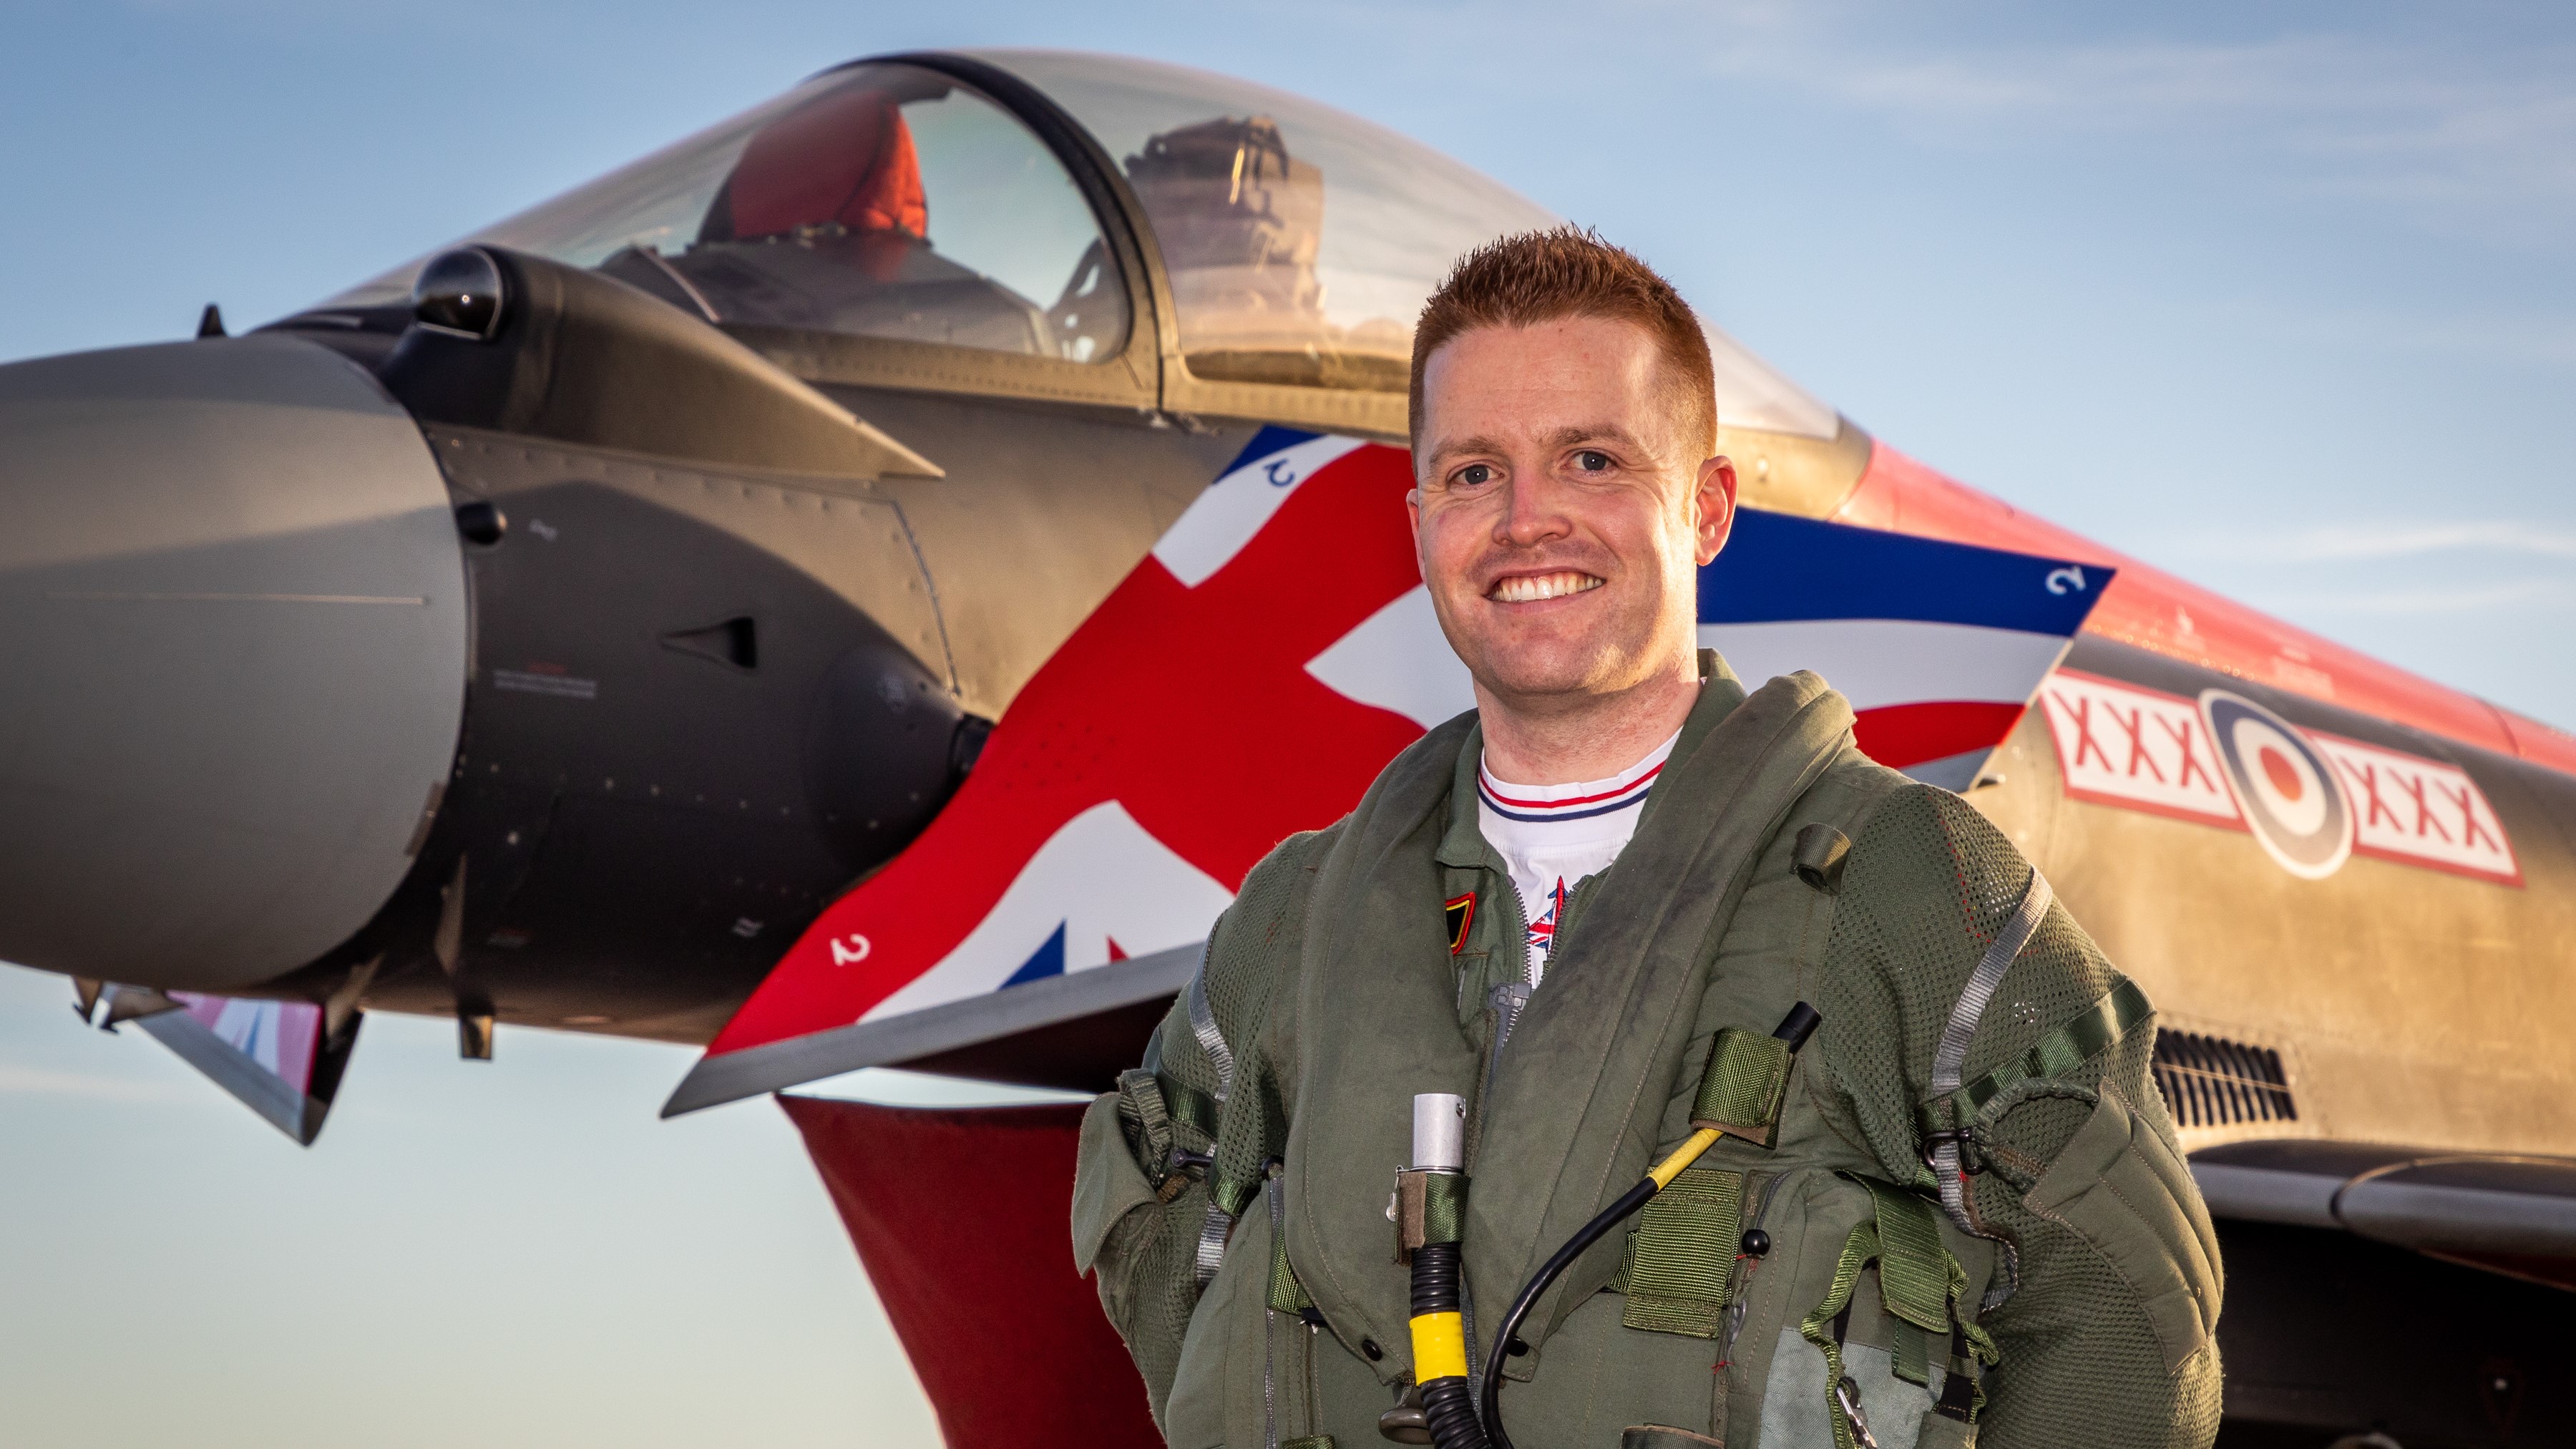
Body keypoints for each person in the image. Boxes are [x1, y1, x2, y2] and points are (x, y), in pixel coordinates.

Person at [1073, 228, 2222, 1449]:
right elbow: (1161, 1224)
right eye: (1472, 474)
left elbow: (2125, 1315)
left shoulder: (1909, 883)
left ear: (1706, 507)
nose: (1527, 522)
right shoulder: (1295, 918)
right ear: (1418, 526)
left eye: (1591, 459)